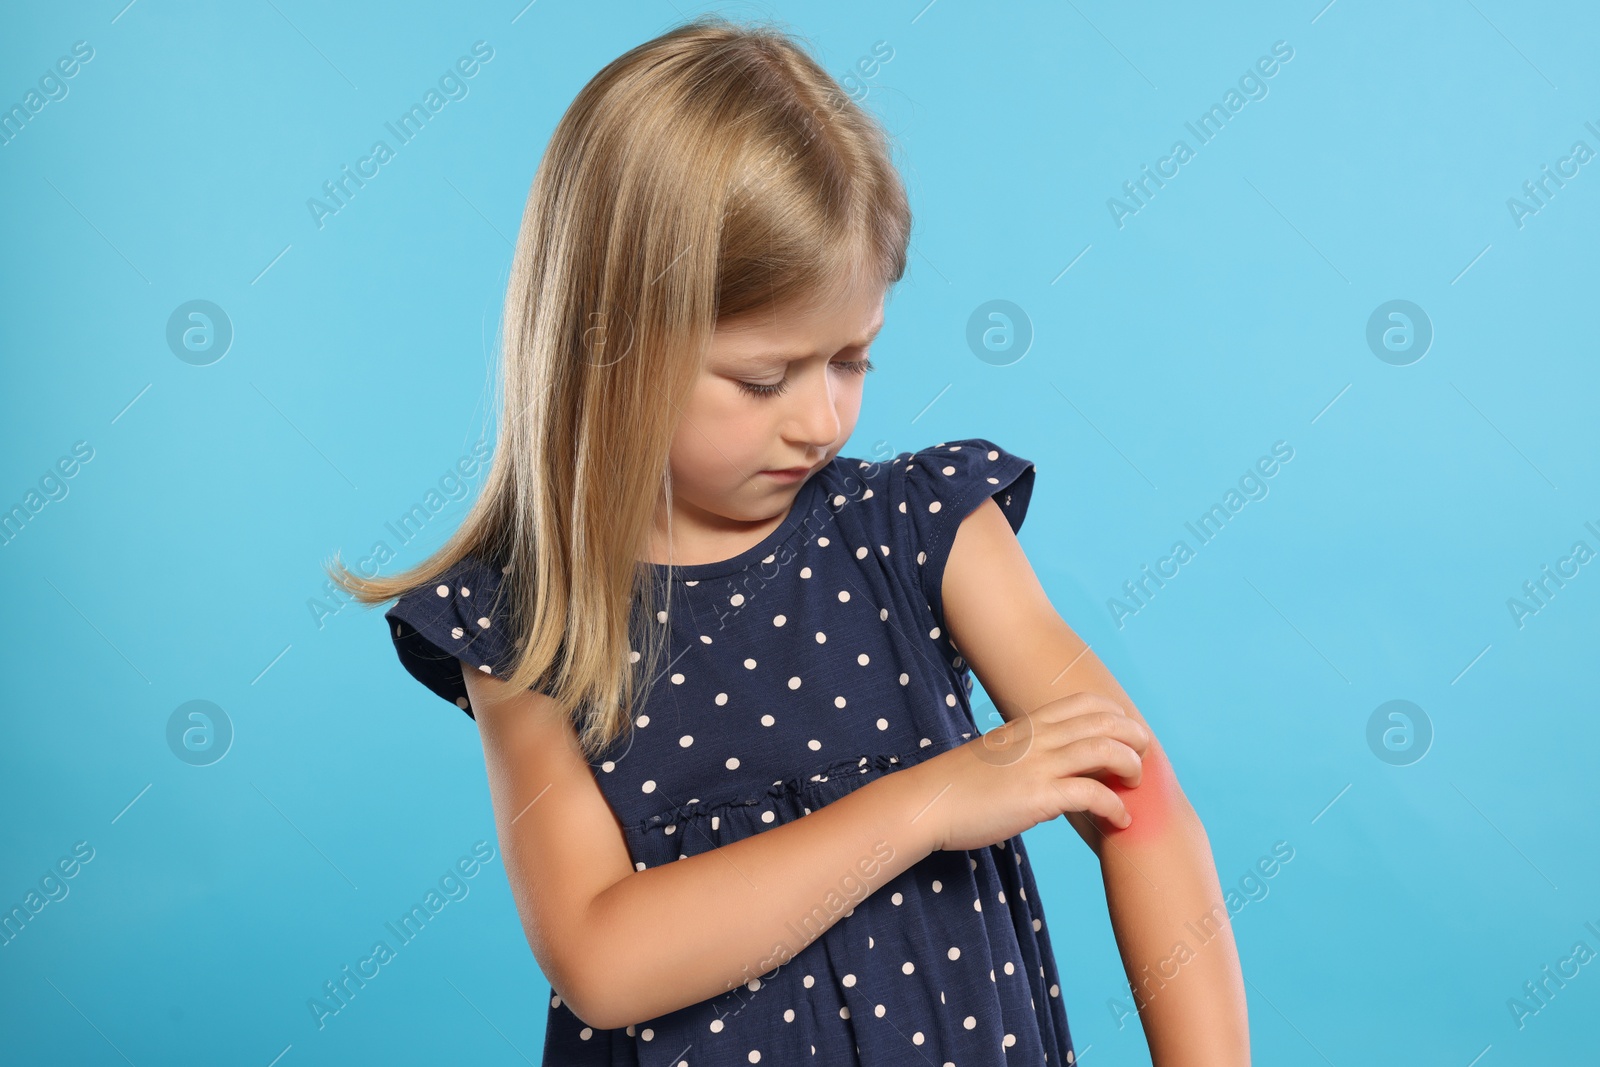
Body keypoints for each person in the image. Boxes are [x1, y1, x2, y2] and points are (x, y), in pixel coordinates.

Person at [326, 14, 1248, 1065]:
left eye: (853, 358)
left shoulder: (923, 531)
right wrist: (931, 797)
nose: (822, 419)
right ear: (607, 342)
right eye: (765, 378)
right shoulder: (530, 621)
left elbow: (1146, 806)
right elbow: (599, 952)